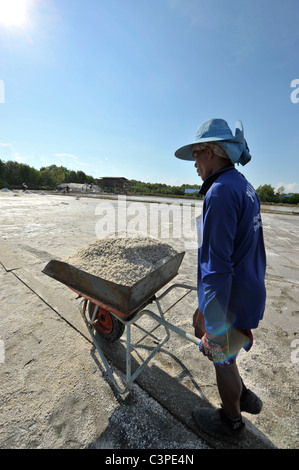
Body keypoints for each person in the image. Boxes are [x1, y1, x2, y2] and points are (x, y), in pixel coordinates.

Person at [174, 118, 266, 441]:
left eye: (197, 155)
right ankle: (241, 393)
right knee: (220, 345)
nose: (195, 164)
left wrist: (212, 323)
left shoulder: (220, 193)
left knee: (220, 356)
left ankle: (231, 422)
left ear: (211, 152)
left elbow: (218, 268)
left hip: (231, 298)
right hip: (248, 290)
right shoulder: (243, 185)